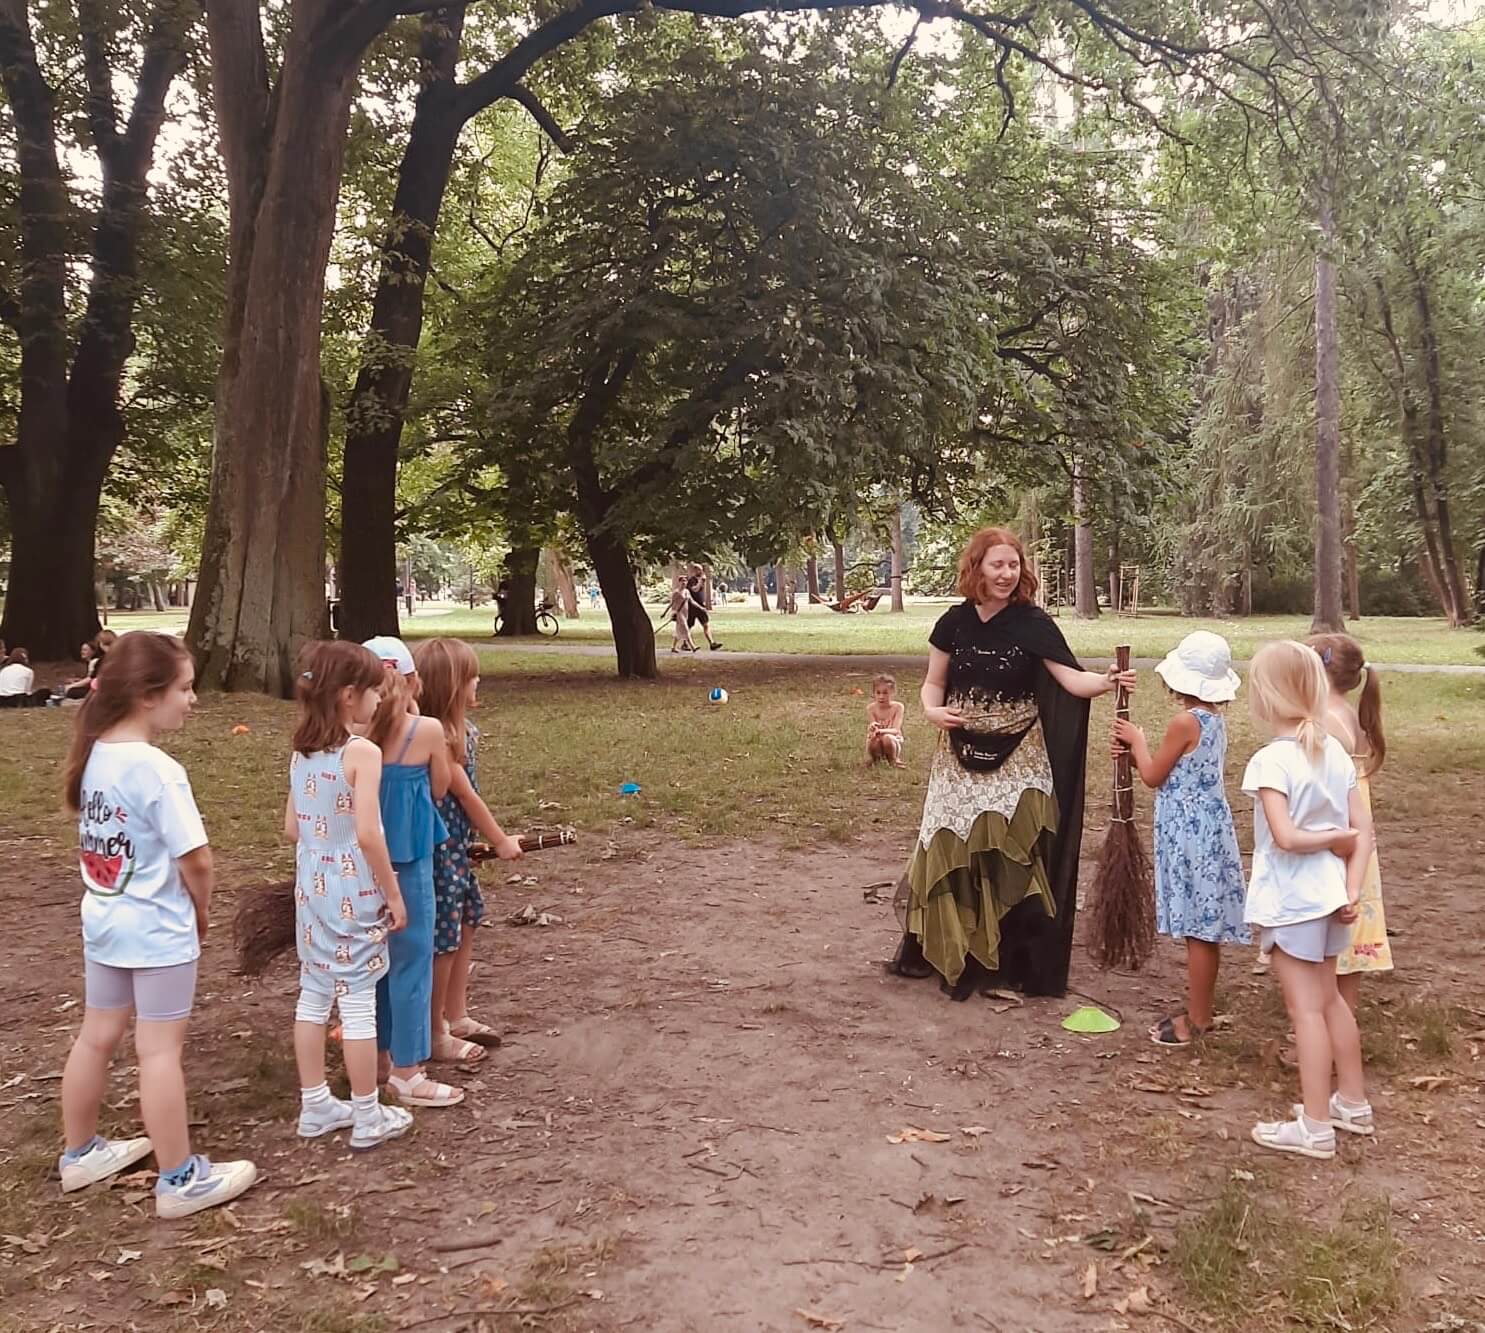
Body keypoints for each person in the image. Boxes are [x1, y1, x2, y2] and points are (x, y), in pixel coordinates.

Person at [887, 526, 1134, 1000]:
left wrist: (1105, 682)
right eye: (997, 564)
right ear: (977, 567)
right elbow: (933, 683)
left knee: (1011, 853)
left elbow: (1071, 680)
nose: (1006, 573)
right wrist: (932, 710)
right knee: (950, 844)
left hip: (1019, 755)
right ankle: (956, 950)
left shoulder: (1032, 623)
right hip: (957, 755)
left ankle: (1008, 958)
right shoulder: (953, 624)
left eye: (1013, 564)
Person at [58, 632, 258, 1218]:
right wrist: (201, 910)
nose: (193, 700)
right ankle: (179, 1179)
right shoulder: (157, 769)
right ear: (147, 696)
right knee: (159, 1051)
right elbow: (197, 860)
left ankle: (79, 1153)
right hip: (156, 930)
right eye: (185, 688)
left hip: (105, 923)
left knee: (96, 1036)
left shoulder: (96, 753)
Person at [1242, 641, 1373, 1160]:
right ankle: (1352, 1103)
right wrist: (1353, 887)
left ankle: (1315, 1126)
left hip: (1293, 900)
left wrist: (1330, 839)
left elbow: (1287, 837)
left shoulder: (1270, 762)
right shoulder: (1334, 751)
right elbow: (1363, 833)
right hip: (1332, 895)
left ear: (1265, 696)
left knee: (1306, 1012)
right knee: (1330, 999)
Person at [286, 641, 413, 1151]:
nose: (379, 701)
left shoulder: (301, 752)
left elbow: (291, 826)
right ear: (348, 695)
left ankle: (314, 1103)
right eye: (374, 692)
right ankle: (366, 1113)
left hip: (310, 882)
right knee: (358, 1001)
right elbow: (368, 833)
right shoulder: (361, 752)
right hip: (352, 885)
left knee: (314, 993)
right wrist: (392, 892)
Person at [1112, 632, 1248, 1047]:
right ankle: (1199, 1008)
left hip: (1191, 836)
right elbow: (1173, 771)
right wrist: (1133, 757)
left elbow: (1154, 776)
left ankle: (1199, 1019)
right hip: (1207, 827)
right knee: (1202, 928)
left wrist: (1137, 741)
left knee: (1199, 930)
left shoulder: (1184, 722)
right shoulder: (1212, 720)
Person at [360, 637, 463, 1109]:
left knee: (373, 963)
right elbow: (441, 787)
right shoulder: (425, 730)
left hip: (363, 862)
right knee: (411, 963)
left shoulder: (353, 734)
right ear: (412, 681)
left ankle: (378, 1057)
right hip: (410, 858)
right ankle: (408, 1070)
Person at [412, 638, 523, 1062]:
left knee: (466, 919)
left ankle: (456, 1015)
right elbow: (465, 795)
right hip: (439, 851)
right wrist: (499, 840)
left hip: (456, 847)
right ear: (451, 686)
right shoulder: (435, 737)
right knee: (443, 937)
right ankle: (433, 1030)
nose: (478, 682)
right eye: (471, 677)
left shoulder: (461, 731)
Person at [1307, 633, 1391, 1009]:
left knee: (1329, 923)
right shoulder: (1350, 714)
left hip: (1337, 832)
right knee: (1348, 927)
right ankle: (1344, 1015)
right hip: (1357, 832)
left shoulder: (1324, 720)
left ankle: (1325, 1020)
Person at [865, 673, 907, 768]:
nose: (881, 696)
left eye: (885, 693)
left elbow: (896, 730)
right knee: (874, 740)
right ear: (873, 693)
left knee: (887, 738)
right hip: (877, 740)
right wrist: (872, 727)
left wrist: (881, 731)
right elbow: (873, 728)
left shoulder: (898, 707)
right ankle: (875, 760)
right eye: (878, 693)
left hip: (892, 740)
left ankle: (893, 760)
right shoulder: (871, 708)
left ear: (892, 692)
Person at [684, 569, 722, 651]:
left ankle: (712, 643)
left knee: (705, 624)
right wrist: (701, 581)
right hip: (692, 607)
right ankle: (685, 644)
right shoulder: (692, 580)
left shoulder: (700, 580)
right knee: (688, 626)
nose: (700, 571)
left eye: (701, 570)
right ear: (694, 571)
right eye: (698, 570)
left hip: (701, 607)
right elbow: (695, 589)